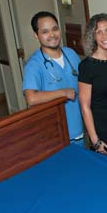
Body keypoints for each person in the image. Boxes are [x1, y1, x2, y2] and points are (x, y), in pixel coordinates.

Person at [23, 11, 83, 146]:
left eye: (55, 29)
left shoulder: (71, 54)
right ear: (36, 35)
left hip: (78, 130)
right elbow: (31, 98)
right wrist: (63, 92)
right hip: (55, 136)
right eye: (45, 31)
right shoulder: (34, 65)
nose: (52, 35)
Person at [78, 13, 107, 158]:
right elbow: (85, 106)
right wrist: (95, 140)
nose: (105, 36)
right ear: (93, 36)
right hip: (103, 130)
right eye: (99, 32)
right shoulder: (87, 66)